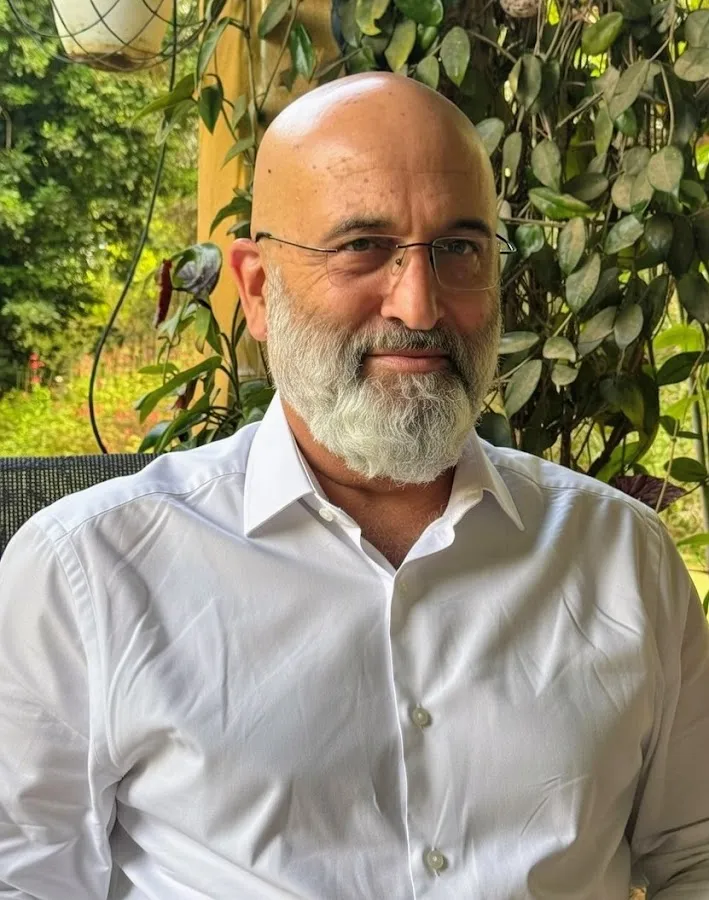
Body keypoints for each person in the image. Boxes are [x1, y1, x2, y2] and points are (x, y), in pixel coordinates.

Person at [0, 72, 708, 900]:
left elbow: (693, 854)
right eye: (362, 246)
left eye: (458, 248)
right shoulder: (90, 573)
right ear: (257, 288)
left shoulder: (620, 555)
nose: (418, 305)